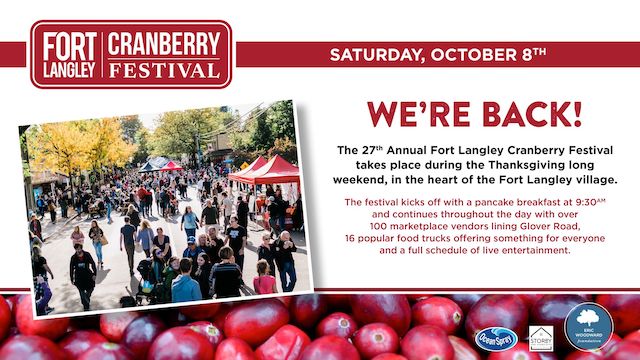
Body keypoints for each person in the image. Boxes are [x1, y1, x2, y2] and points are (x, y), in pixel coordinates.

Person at [70, 243, 97, 311]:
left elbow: (93, 263)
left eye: (79, 248)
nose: (78, 250)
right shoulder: (73, 258)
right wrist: (72, 279)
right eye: (77, 249)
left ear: (81, 248)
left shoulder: (87, 254)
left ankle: (86, 299)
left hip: (88, 275)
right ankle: (86, 307)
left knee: (90, 288)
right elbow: (71, 269)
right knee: (81, 292)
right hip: (79, 277)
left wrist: (94, 274)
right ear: (75, 249)